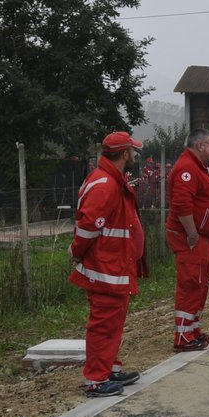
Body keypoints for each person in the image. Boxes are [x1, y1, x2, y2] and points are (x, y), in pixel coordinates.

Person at [69, 131, 148, 397]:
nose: (135, 156)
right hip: (105, 268)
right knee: (104, 324)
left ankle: (109, 368)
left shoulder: (111, 180)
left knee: (113, 322)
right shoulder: (105, 184)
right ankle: (95, 379)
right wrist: (76, 252)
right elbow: (88, 227)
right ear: (125, 154)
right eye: (133, 152)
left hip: (114, 266)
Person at [167, 128, 209, 351]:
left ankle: (193, 330)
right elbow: (181, 204)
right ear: (199, 145)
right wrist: (192, 233)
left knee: (200, 284)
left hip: (201, 237)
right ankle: (183, 336)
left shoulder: (199, 167)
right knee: (191, 284)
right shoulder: (187, 168)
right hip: (191, 238)